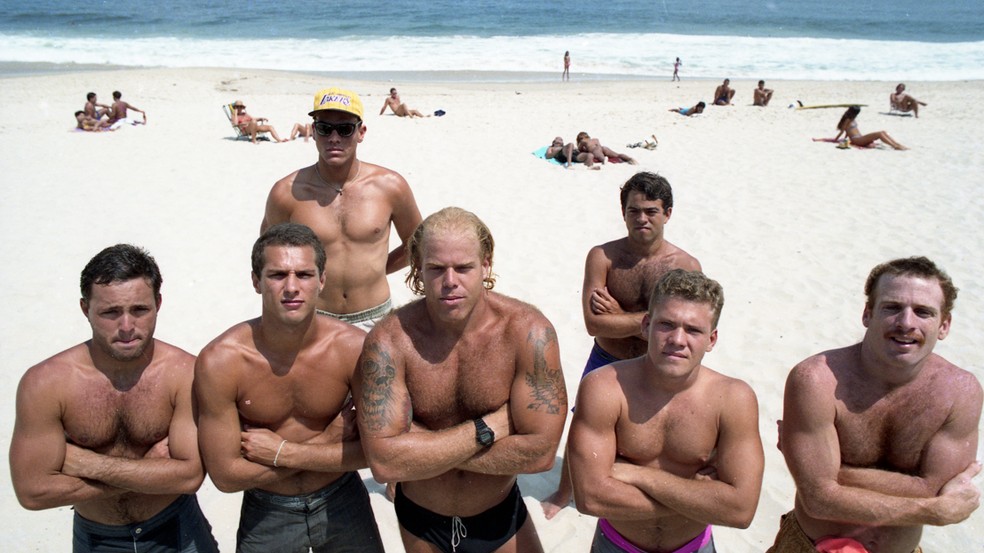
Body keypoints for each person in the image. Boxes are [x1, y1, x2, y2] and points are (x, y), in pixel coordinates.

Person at [354, 206, 568, 553]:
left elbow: (541, 454)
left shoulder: (527, 332)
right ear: (418, 269)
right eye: (436, 268)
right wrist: (488, 428)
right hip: (421, 521)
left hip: (499, 513)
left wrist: (421, 450)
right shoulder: (390, 340)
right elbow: (383, 463)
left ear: (486, 264)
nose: (450, 281)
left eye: (464, 268)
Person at [10, 244, 218, 552]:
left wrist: (87, 463)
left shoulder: (184, 374)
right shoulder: (45, 384)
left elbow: (188, 478)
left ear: (158, 303)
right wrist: (151, 471)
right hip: (97, 539)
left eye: (139, 310)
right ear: (85, 309)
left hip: (176, 529)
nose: (126, 327)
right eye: (110, 312)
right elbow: (33, 492)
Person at [768, 256, 982, 553]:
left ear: (944, 325)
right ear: (867, 314)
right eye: (892, 307)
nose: (906, 323)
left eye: (923, 312)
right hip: (807, 546)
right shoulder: (817, 379)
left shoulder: (960, 392)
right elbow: (817, 499)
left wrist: (836, 475)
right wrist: (933, 510)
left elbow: (936, 489)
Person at [194, 223, 384, 552]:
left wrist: (284, 453)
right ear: (256, 281)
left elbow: (381, 454)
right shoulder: (222, 361)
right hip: (267, 509)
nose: (292, 287)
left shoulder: (355, 350)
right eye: (277, 275)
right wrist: (326, 443)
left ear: (322, 280)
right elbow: (225, 475)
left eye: (304, 275)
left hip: (342, 499)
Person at [541, 171, 701, 519]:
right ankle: (564, 490)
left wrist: (626, 318)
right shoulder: (603, 257)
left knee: (657, 432)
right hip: (606, 356)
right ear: (623, 212)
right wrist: (653, 320)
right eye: (633, 211)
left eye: (650, 211)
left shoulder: (686, 267)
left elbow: (684, 329)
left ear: (668, 213)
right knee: (583, 423)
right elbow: (593, 323)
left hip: (656, 365)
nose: (641, 218)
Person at [568, 269, 764, 553]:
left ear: (711, 339)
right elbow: (590, 498)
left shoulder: (733, 399)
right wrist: (700, 497)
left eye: (693, 330)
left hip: (693, 547)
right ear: (646, 326)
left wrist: (640, 476)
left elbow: (740, 511)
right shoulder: (604, 388)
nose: (677, 339)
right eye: (666, 324)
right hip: (617, 544)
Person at [262, 87, 422, 330]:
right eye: (325, 128)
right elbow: (268, 258)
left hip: (376, 318)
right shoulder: (286, 192)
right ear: (314, 132)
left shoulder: (391, 186)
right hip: (314, 319)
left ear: (361, 132)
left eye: (345, 129)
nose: (334, 138)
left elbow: (418, 244)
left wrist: (378, 270)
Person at [835, 106, 908, 150]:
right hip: (857, 140)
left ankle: (897, 144)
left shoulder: (852, 118)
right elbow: (843, 131)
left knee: (883, 132)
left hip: (860, 138)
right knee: (879, 134)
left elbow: (848, 132)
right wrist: (836, 139)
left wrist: (846, 137)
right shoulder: (847, 119)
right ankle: (895, 146)